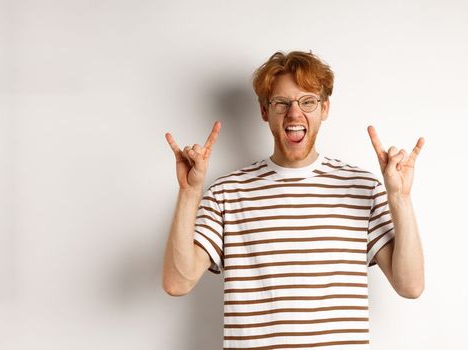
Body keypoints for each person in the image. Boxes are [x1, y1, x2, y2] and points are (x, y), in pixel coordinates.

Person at [161, 50, 425, 349]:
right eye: (281, 103)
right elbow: (177, 282)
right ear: (264, 111)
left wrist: (400, 198)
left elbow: (410, 285)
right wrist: (189, 193)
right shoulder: (227, 192)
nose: (294, 114)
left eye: (307, 101)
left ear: (324, 108)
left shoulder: (362, 188)